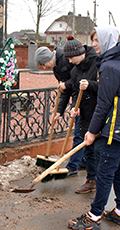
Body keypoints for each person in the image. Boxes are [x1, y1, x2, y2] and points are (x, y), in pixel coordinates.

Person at [67, 26, 120, 230]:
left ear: (107, 41)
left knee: (105, 170)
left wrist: (91, 131)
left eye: (97, 41)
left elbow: (103, 102)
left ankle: (94, 216)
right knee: (118, 168)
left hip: (115, 127)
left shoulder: (110, 67)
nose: (93, 44)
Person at [56, 36, 100, 194]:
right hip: (85, 114)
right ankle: (91, 180)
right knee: (88, 148)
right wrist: (76, 106)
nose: (69, 62)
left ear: (79, 53)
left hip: (99, 112)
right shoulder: (75, 71)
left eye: (71, 58)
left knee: (97, 149)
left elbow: (105, 88)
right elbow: (75, 91)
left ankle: (101, 180)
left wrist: (90, 85)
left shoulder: (97, 63)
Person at [35, 44, 86, 175]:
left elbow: (77, 80)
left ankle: (72, 167)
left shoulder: (65, 59)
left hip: (84, 97)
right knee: (82, 132)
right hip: (77, 98)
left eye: (42, 64)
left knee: (80, 133)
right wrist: (59, 111)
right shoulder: (56, 68)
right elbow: (64, 90)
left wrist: (75, 103)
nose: (43, 67)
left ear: (46, 59)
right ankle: (84, 161)